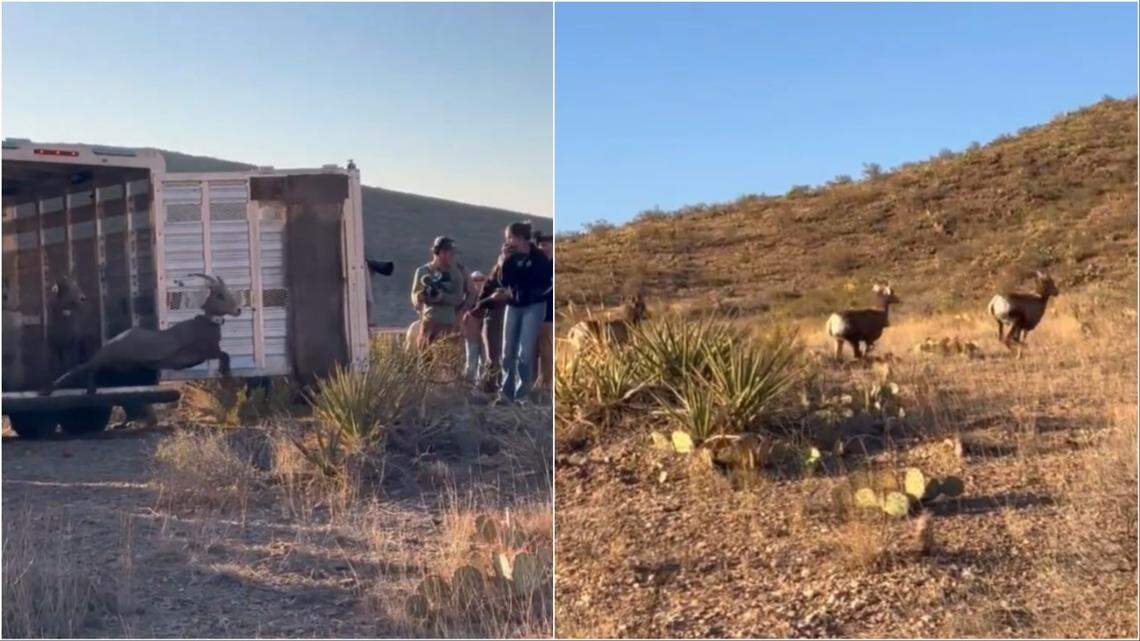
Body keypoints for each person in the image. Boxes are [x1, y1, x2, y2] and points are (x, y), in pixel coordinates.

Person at [493, 221, 553, 403]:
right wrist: (503, 262)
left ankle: (522, 394)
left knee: (524, 352)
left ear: (520, 238)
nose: (508, 242)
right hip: (513, 305)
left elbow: (543, 282)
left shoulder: (538, 258)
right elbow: (504, 282)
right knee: (507, 350)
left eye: (510, 238)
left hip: (534, 305)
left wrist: (523, 286)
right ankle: (505, 392)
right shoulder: (508, 257)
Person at [410, 236, 466, 346]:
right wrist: (420, 297)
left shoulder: (455, 274)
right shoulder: (423, 271)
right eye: (450, 253)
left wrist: (442, 297)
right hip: (428, 324)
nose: (452, 257)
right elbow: (414, 295)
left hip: (448, 325)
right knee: (426, 360)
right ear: (439, 252)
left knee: (446, 360)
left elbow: (459, 298)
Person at [533, 232, 554, 390]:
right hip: (532, 312)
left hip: (548, 315)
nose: (543, 247)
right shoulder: (535, 264)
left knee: (546, 350)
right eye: (541, 244)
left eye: (547, 244)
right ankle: (531, 383)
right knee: (531, 349)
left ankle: (545, 384)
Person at [460, 270, 488, 384]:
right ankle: (469, 385)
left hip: (485, 333)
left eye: (481, 279)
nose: (478, 282)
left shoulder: (488, 296)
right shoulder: (467, 299)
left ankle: (482, 384)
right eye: (475, 280)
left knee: (484, 359)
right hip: (471, 333)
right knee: (471, 359)